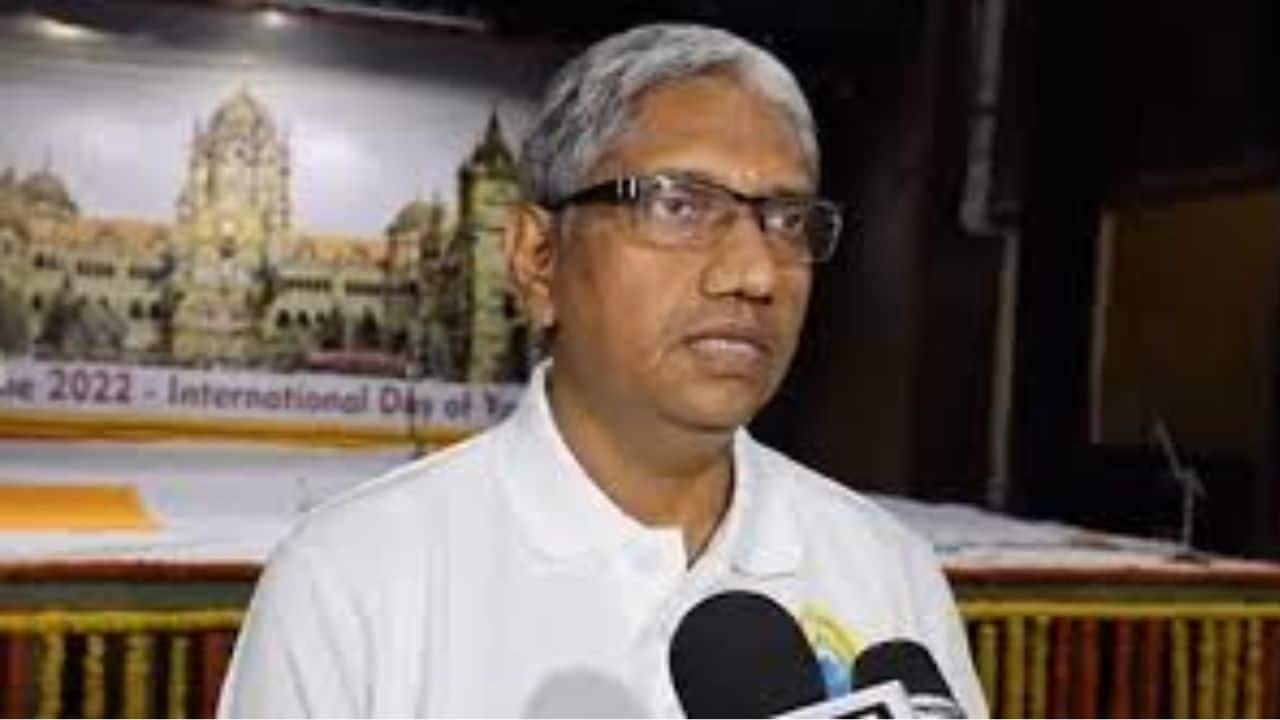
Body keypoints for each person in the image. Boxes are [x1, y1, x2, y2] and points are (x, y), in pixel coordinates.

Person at [219, 23, 987, 717]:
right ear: (536, 257)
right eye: (680, 206)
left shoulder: (885, 570)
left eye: (786, 220)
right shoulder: (352, 580)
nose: (755, 273)